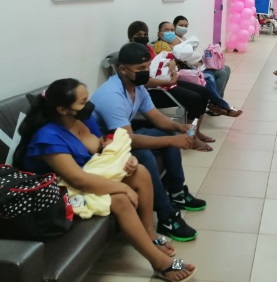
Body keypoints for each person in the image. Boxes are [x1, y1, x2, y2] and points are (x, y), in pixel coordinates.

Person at [14, 79, 197, 282]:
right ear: (63, 110)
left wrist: (125, 159)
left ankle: (149, 234)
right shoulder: (48, 137)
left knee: (140, 172)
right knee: (120, 199)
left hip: (89, 174)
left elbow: (102, 147)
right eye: (83, 102)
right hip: (60, 192)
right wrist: (123, 188)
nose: (89, 105)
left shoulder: (83, 120)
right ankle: (160, 263)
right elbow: (77, 179)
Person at [92, 42, 206, 242]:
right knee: (145, 153)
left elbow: (156, 117)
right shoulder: (111, 96)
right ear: (123, 69)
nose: (145, 72)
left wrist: (179, 128)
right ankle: (166, 216)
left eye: (147, 67)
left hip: (121, 138)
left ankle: (177, 193)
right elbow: (129, 141)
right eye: (140, 69)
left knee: (167, 134)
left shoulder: (137, 87)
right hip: (103, 148)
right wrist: (173, 140)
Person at [127, 21, 219, 151]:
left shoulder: (148, 49)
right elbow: (145, 81)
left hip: (166, 82)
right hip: (154, 91)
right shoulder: (131, 55)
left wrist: (171, 64)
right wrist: (169, 82)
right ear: (131, 37)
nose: (142, 37)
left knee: (204, 92)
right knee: (195, 99)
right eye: (138, 35)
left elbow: (159, 63)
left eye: (145, 34)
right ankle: (190, 137)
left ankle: (196, 132)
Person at [152, 21, 242, 118]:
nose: (170, 32)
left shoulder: (177, 42)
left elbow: (186, 57)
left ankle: (216, 103)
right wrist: (181, 60)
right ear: (159, 33)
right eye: (166, 30)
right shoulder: (161, 45)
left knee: (224, 70)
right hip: (180, 73)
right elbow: (170, 63)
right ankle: (222, 105)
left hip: (190, 68)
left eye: (172, 30)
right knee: (209, 77)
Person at [173, 15, 232, 98]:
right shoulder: (174, 39)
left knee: (227, 68)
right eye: (181, 25)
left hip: (199, 64)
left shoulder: (184, 38)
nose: (183, 28)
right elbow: (180, 58)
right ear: (174, 25)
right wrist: (198, 64)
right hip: (191, 67)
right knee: (222, 73)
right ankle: (215, 100)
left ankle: (219, 97)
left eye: (186, 26)